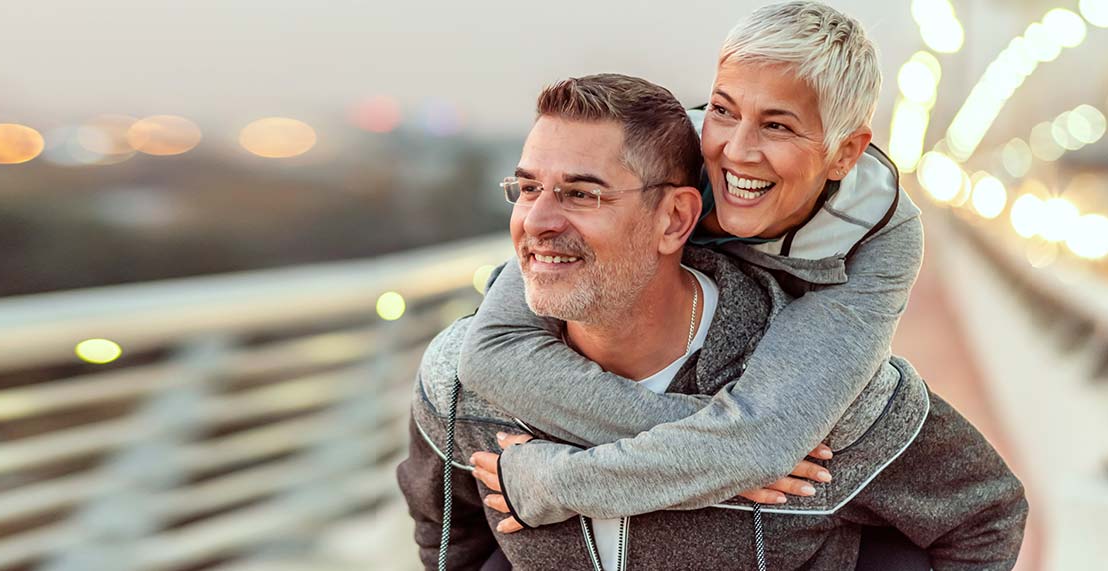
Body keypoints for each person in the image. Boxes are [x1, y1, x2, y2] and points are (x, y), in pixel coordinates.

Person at [394, 73, 1026, 570]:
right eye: (528, 189)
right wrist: (734, 456)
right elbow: (451, 542)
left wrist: (750, 445)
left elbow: (983, 515)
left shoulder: (827, 402)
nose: (537, 222)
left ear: (675, 219)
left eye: (582, 194)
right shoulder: (460, 387)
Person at [459, 0, 939, 550]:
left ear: (845, 153)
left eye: (777, 125)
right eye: (723, 110)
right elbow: (493, 350)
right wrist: (721, 452)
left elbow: (762, 442)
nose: (735, 151)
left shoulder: (880, 237)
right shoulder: (666, 159)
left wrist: (553, 481)